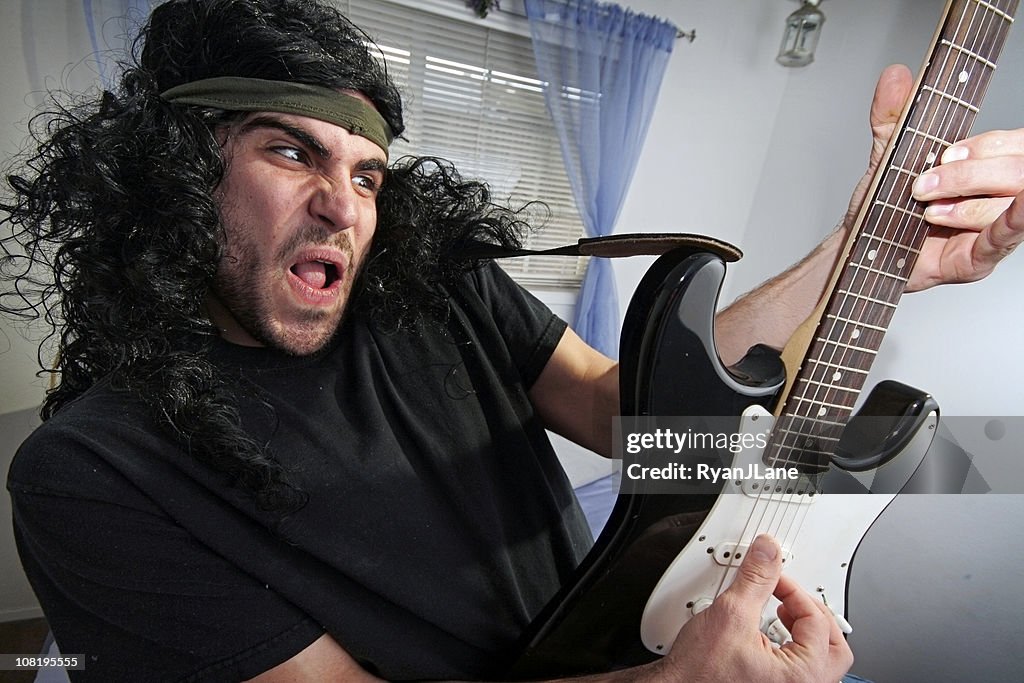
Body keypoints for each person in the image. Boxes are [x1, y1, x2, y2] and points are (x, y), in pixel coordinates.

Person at [1, 0, 1021, 681]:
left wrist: (863, 246)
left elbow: (650, 424)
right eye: (288, 150)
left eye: (366, 173)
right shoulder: (90, 470)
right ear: (177, 177)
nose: (343, 205)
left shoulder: (438, 289)